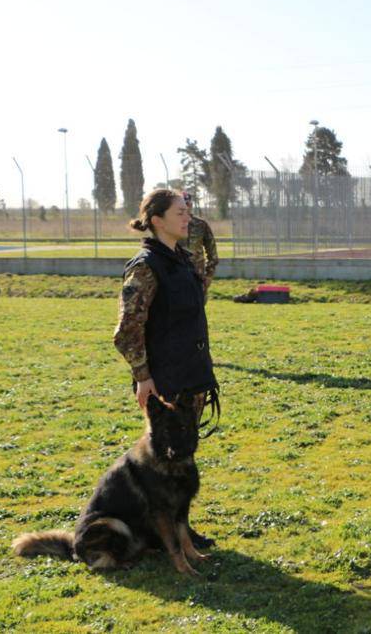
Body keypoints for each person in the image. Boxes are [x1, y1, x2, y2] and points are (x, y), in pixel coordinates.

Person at [114, 188, 220, 549]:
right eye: (179, 212)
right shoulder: (146, 267)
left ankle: (180, 531)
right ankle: (166, 535)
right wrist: (143, 377)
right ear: (157, 220)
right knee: (164, 462)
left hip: (191, 375)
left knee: (184, 456)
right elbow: (127, 331)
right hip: (165, 381)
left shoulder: (182, 260)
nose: (187, 216)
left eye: (187, 210)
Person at [180, 191, 219, 299]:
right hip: (174, 276)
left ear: (191, 205)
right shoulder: (169, 224)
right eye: (182, 206)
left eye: (187, 204)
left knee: (197, 310)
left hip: (197, 276)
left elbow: (212, 253)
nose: (185, 208)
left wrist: (209, 276)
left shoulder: (201, 225)